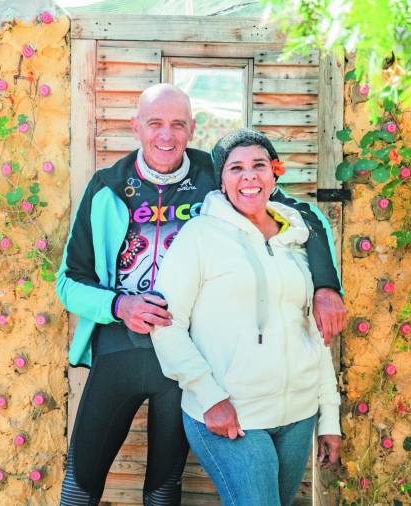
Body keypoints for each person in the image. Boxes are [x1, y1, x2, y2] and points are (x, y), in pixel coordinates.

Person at [56, 84, 345, 505]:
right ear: (135, 127)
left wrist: (324, 285)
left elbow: (301, 216)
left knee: (163, 487)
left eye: (177, 124)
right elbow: (69, 283)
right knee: (80, 482)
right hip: (122, 346)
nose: (166, 136)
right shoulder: (107, 187)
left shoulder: (216, 172)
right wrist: (119, 305)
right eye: (154, 123)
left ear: (192, 129)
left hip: (187, 353)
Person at [151, 129, 342, 506]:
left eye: (258, 165)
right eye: (236, 168)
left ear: (274, 174)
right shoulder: (199, 237)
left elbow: (311, 332)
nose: (249, 176)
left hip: (298, 416)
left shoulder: (297, 237)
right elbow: (167, 323)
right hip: (232, 415)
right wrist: (209, 397)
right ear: (222, 181)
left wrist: (329, 418)